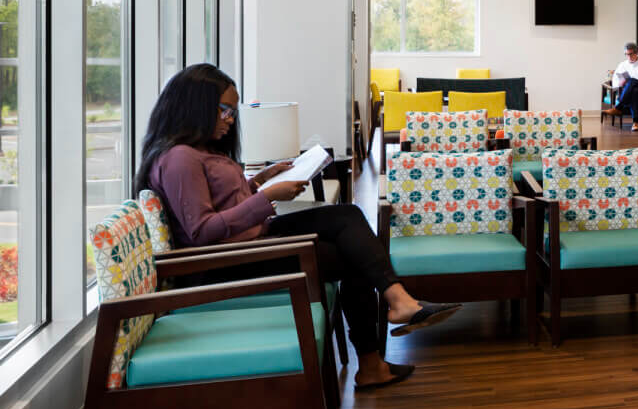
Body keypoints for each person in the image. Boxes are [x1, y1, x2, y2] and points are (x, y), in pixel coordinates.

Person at [137, 64, 461, 392]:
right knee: (352, 256)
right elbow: (201, 231)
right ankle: (377, 352)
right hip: (226, 265)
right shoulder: (179, 159)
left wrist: (258, 181)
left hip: (250, 244)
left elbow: (220, 206)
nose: (230, 119)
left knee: (347, 215)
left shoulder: (198, 151)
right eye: (224, 110)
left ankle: (397, 304)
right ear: (194, 104)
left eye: (233, 112)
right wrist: (266, 197)